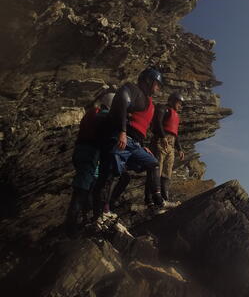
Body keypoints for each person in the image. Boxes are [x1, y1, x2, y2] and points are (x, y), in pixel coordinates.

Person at [92, 67, 165, 219]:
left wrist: (142, 144)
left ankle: (158, 202)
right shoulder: (134, 90)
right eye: (157, 83)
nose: (158, 87)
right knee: (110, 174)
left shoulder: (148, 102)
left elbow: (140, 127)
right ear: (148, 81)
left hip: (135, 144)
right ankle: (101, 214)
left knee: (153, 164)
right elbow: (122, 99)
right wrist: (122, 132)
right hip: (121, 139)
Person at [64, 88, 116, 233]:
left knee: (88, 187)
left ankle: (85, 221)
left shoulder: (91, 113)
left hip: (80, 152)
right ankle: (72, 228)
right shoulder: (104, 115)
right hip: (90, 154)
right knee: (81, 191)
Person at [145, 91, 185, 205]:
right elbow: (157, 122)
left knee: (167, 173)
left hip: (171, 145)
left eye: (181, 104)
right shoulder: (164, 109)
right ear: (172, 101)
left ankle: (164, 198)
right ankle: (150, 199)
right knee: (156, 170)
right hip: (160, 142)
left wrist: (180, 149)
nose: (180, 106)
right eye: (179, 103)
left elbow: (175, 134)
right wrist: (162, 137)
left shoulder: (176, 115)